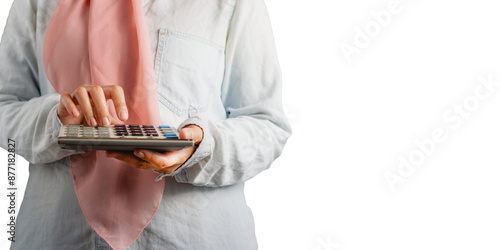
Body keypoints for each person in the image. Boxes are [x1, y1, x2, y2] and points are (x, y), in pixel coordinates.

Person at [0, 0, 291, 249]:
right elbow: (4, 105)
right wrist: (57, 118)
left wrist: (201, 146)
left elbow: (266, 123)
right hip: (55, 236)